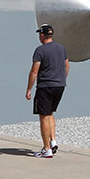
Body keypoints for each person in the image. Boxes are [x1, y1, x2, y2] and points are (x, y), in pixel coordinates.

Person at [25, 24, 69, 158]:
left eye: (40, 34)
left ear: (42, 35)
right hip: (59, 86)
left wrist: (29, 89)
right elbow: (67, 65)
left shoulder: (40, 50)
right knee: (50, 113)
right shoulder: (61, 48)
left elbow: (34, 71)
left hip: (45, 86)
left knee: (44, 116)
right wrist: (61, 79)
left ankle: (46, 149)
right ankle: (53, 140)